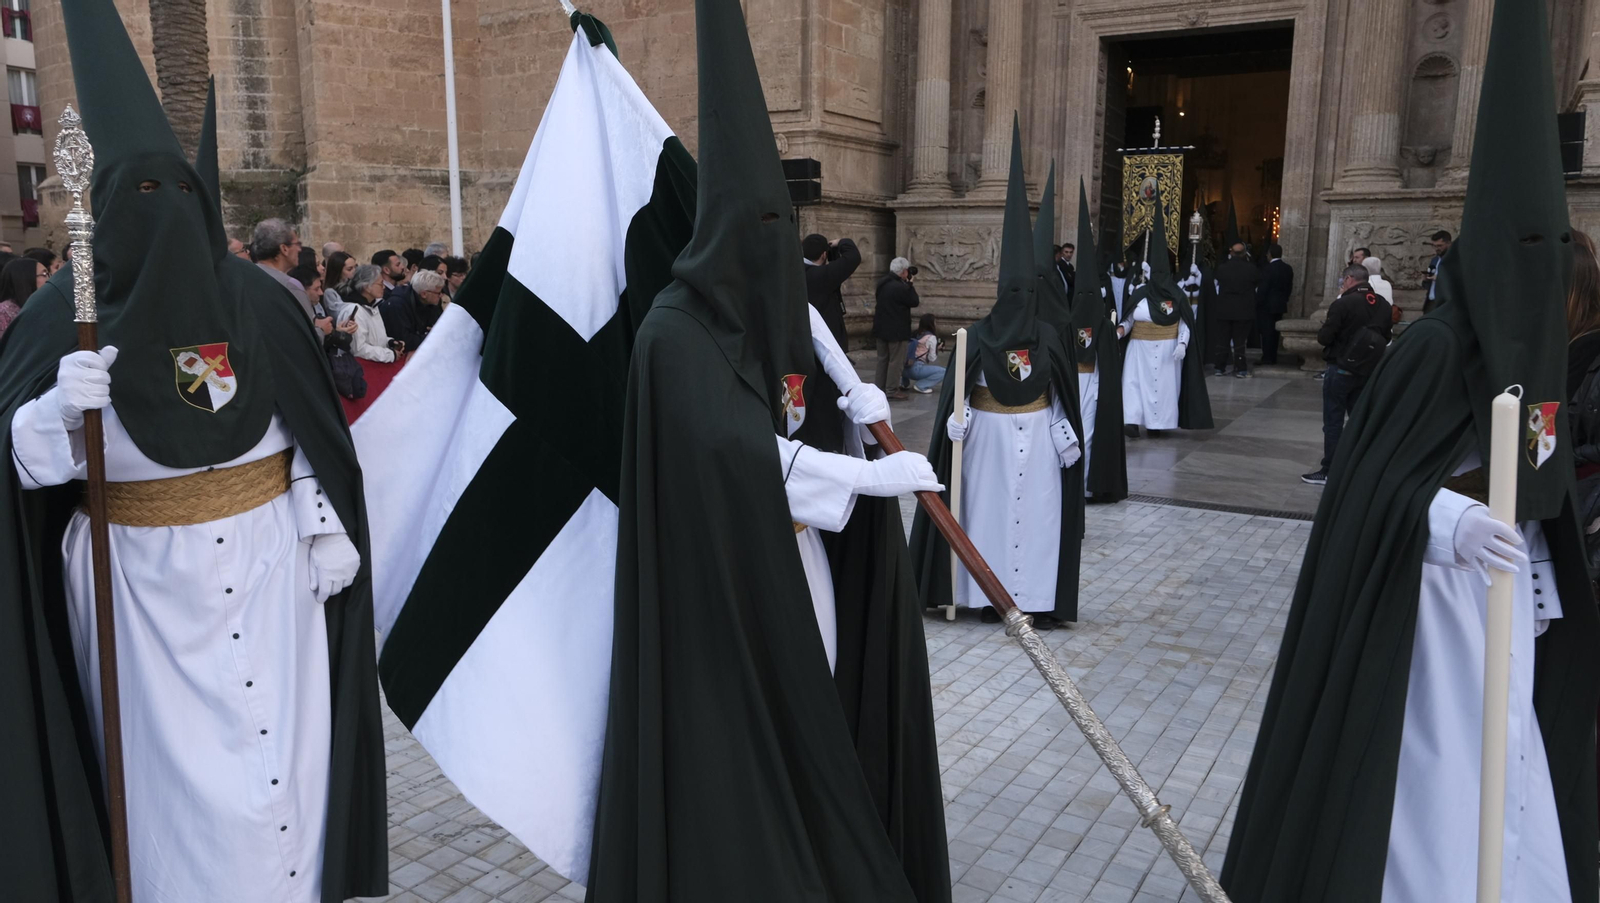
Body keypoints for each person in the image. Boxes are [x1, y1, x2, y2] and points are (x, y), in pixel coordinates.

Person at [0, 1, 387, 898]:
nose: (164, 212)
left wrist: (321, 518)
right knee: (177, 812)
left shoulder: (253, 299)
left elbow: (308, 433)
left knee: (283, 784)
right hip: (139, 599)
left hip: (270, 576)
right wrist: (49, 419)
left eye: (174, 189)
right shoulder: (66, 312)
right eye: (140, 193)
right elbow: (16, 465)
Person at [1224, 4, 1598, 899]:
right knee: (1431, 791)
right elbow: (1365, 484)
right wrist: (1449, 519)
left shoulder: (1545, 362)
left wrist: (1547, 560)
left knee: (1507, 776)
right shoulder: (1431, 350)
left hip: (1509, 609)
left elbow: (1545, 474)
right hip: (1423, 612)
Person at [585, 0, 952, 895]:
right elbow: (735, 452)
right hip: (721, 589)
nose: (773, 250)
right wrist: (869, 476)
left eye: (781, 232)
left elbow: (798, 407)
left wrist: (855, 394)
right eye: (760, 232)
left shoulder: (777, 316)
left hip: (802, 566)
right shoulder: (671, 335)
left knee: (814, 712)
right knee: (748, 734)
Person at [909, 122, 1084, 631]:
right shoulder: (976, 335)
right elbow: (956, 393)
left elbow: (1060, 394)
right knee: (984, 517)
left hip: (1041, 442)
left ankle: (1035, 596)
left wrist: (1062, 430)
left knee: (1039, 522)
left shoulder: (1050, 339)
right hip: (985, 440)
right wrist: (954, 422)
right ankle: (985, 596)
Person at [1119, 198, 1213, 434]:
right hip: (1138, 348)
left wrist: (1182, 343)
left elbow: (1185, 323)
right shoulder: (1141, 293)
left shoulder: (1177, 295)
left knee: (1163, 388)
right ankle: (1131, 421)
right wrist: (1119, 330)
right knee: (1132, 385)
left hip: (1166, 350)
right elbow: (1129, 319)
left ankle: (1157, 424)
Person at [1300, 265, 1392, 486]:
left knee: (1333, 421)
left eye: (1343, 280)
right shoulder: (1384, 305)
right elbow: (1386, 335)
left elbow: (1325, 338)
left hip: (1341, 368)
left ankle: (1330, 469)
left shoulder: (1343, 304)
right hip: (1368, 370)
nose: (1342, 283)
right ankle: (1364, 467)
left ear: (1350, 279)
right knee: (1361, 419)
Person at [1065, 179, 1126, 501]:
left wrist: (1103, 390)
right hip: (1069, 384)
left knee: (1088, 434)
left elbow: (1108, 362)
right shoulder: (1064, 325)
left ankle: (1088, 485)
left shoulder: (1102, 327)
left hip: (1093, 387)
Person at [339, 264, 404, 422]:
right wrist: (391, 355)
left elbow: (376, 337)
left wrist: (390, 343)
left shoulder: (372, 306)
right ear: (367, 287)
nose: (383, 287)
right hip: (363, 374)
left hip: (376, 368)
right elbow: (359, 349)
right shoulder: (354, 310)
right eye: (380, 283)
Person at [801, 230, 861, 349]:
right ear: (824, 255)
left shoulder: (793, 271)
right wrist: (842, 242)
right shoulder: (823, 276)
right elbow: (853, 257)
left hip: (802, 337)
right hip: (825, 340)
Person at [871, 256, 919, 399]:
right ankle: (892, 389)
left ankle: (879, 388)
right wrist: (910, 285)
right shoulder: (901, 287)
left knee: (882, 359)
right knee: (895, 361)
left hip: (881, 328)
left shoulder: (882, 283)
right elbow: (914, 301)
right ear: (904, 271)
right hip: (896, 331)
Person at [1213, 242, 1259, 377]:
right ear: (1245, 253)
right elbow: (1256, 284)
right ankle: (1240, 368)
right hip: (1243, 310)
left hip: (1224, 310)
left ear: (1231, 252)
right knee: (1239, 341)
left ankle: (1219, 367)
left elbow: (1217, 283)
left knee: (1223, 340)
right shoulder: (1251, 269)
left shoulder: (1222, 268)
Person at [252, 217, 312, 318]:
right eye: (297, 244)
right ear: (284, 249)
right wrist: (321, 329)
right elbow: (305, 331)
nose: (300, 249)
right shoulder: (291, 286)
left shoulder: (244, 277)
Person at [380, 268, 444, 352]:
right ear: (424, 294)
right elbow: (404, 340)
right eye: (438, 293)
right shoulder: (396, 305)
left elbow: (438, 328)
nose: (441, 296)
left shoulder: (431, 302)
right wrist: (432, 336)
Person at [1256, 243, 1294, 366]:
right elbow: (1289, 288)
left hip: (1267, 306)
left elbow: (1263, 288)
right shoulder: (1287, 268)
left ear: (1270, 254)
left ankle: (1267, 357)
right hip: (1280, 305)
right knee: (1275, 333)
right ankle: (1273, 356)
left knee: (1267, 332)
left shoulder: (1267, 269)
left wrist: (1258, 301)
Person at [0, 255, 45, 341]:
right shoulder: (3, 312)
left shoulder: (40, 306)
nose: (49, 278)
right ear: (26, 278)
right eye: (44, 274)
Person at [902, 313, 944, 394]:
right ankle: (921, 386)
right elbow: (932, 358)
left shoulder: (914, 334)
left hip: (902, 369)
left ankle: (903, 383)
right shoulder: (931, 338)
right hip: (915, 369)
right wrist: (936, 349)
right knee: (943, 372)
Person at [1423, 230, 1451, 313]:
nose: (1437, 249)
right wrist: (1426, 279)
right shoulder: (1434, 260)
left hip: (1445, 304)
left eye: (1440, 246)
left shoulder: (1454, 261)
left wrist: (1438, 278)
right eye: (1434, 246)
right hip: (1431, 303)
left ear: (1448, 243)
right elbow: (1428, 285)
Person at [322, 250, 356, 316]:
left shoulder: (358, 286)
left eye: (355, 267)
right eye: (349, 269)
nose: (355, 271)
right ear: (338, 272)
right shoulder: (330, 293)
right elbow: (338, 316)